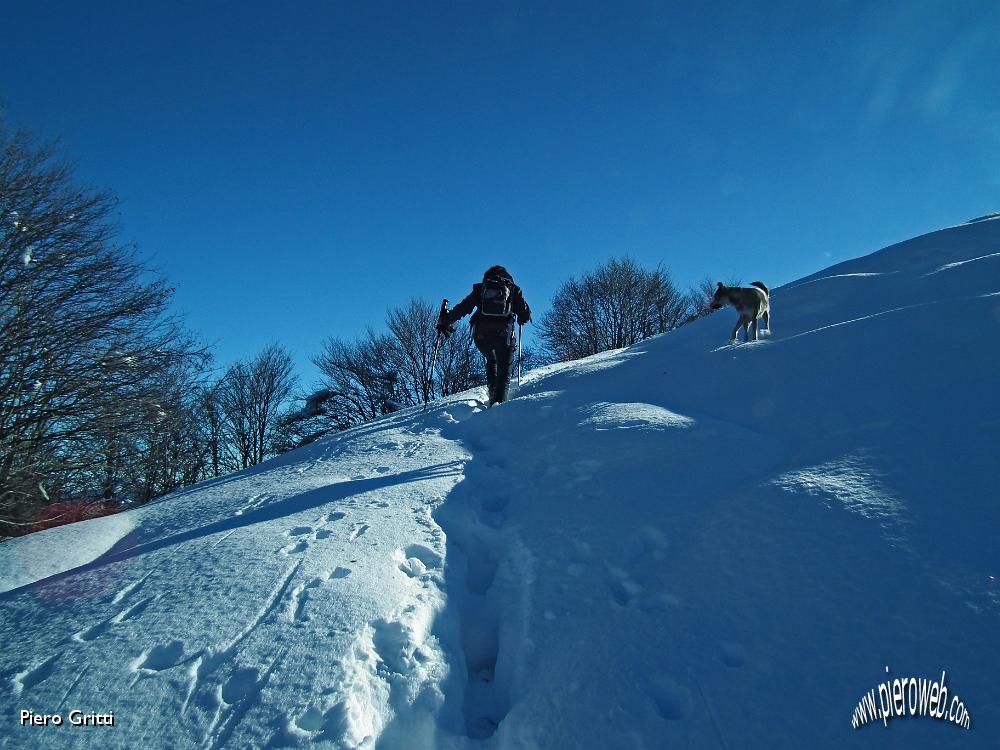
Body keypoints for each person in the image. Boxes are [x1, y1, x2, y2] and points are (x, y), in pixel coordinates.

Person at [437, 265, 531, 406]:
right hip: (504, 335)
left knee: (491, 360)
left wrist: (444, 322)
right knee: (504, 370)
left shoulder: (481, 289)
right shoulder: (513, 289)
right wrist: (521, 318)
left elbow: (463, 308)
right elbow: (525, 314)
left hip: (481, 335)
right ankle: (499, 404)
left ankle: (492, 394)